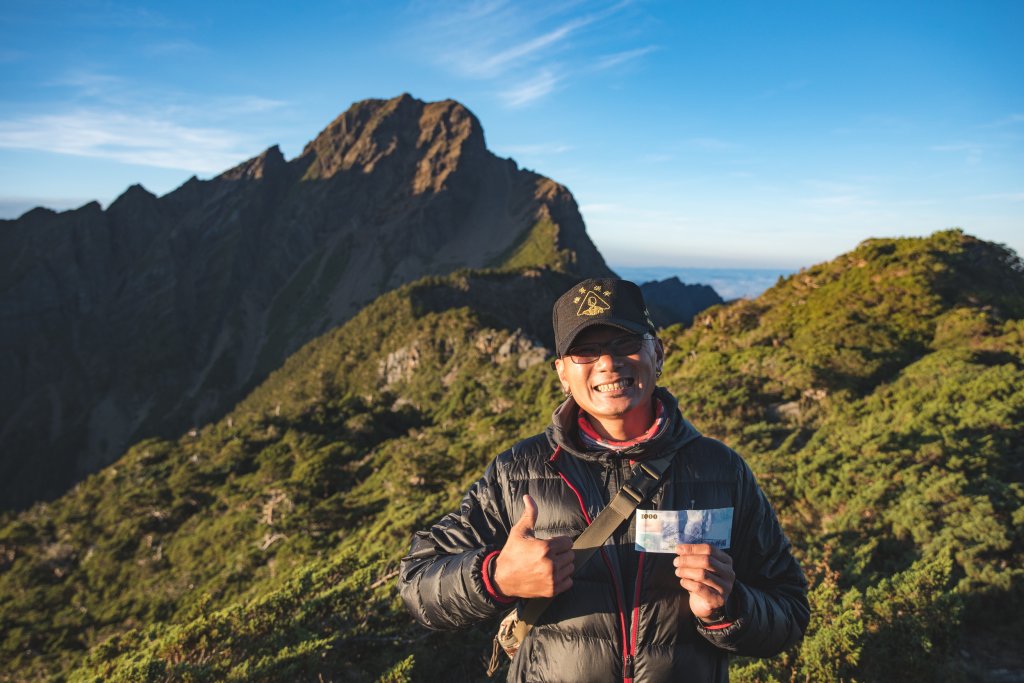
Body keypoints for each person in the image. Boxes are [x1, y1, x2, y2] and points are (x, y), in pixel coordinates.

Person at [399, 278, 809, 682]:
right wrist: (496, 577)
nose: (608, 364)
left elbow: (789, 610)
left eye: (625, 344)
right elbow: (418, 582)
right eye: (585, 352)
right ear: (561, 372)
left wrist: (727, 608)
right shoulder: (518, 472)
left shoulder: (721, 470)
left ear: (658, 353)